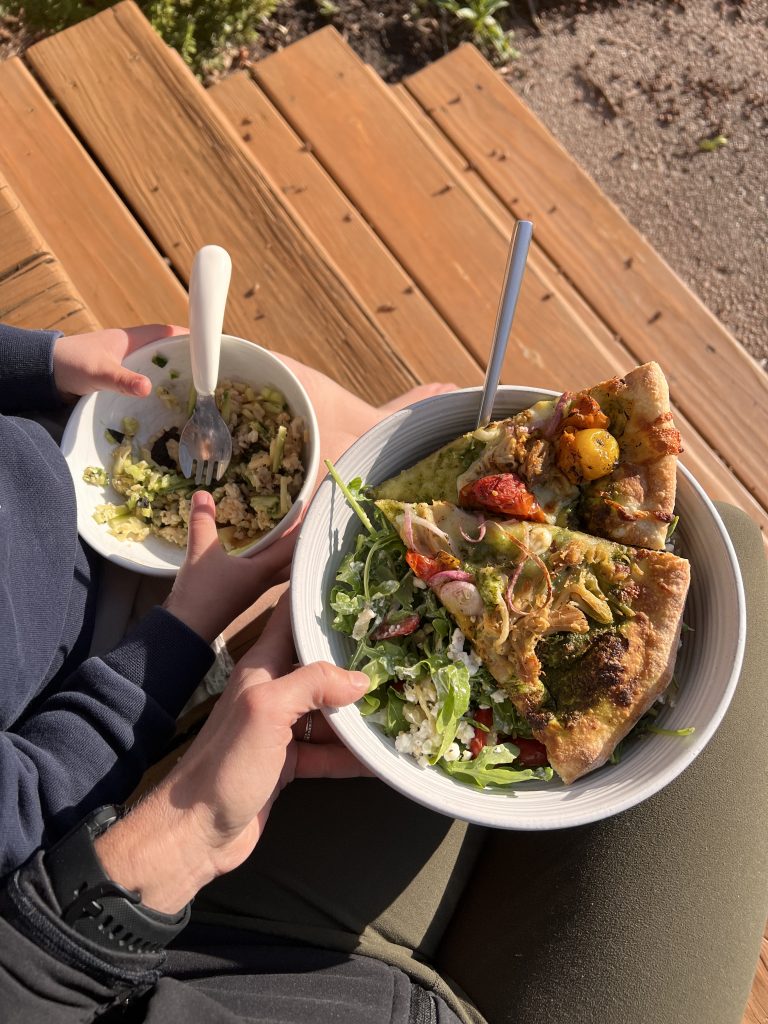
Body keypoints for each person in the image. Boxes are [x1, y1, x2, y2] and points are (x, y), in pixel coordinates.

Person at [1, 322, 767, 1024]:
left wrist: (30, 364)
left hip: (197, 932)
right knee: (740, 566)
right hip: (178, 964)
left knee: (723, 544)